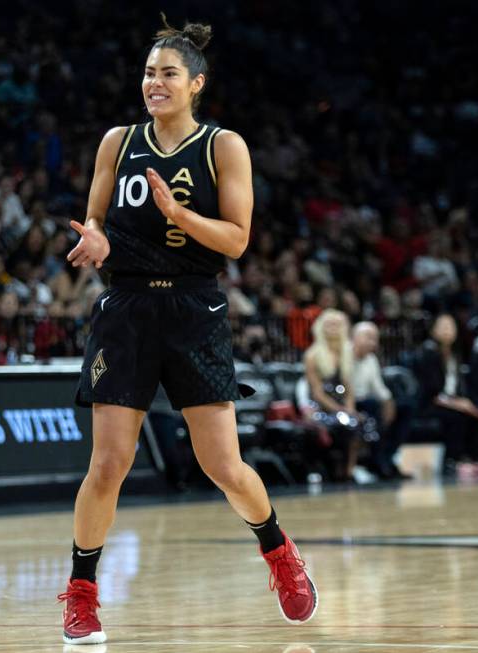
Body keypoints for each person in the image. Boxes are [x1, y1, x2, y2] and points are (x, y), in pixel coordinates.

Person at [59, 17, 316, 645]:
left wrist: (179, 214)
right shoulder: (117, 142)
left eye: (168, 73)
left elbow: (236, 239)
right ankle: (82, 594)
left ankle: (280, 553)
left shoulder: (223, 146)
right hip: (125, 309)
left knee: (223, 464)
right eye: (149, 73)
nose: (154, 83)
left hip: (195, 307)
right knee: (108, 465)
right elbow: (96, 217)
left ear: (195, 83)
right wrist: (95, 239)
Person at [414, 313, 478, 476]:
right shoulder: (428, 352)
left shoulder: (455, 354)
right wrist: (460, 404)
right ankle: (451, 461)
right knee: (457, 416)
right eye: (443, 326)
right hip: (430, 404)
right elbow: (432, 391)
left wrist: (465, 403)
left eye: (450, 326)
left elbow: (458, 388)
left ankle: (471, 458)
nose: (447, 330)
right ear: (433, 331)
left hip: (451, 402)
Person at [301, 309, 365, 483]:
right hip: (320, 407)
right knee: (340, 424)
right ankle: (332, 469)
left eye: (337, 324)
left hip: (341, 406)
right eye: (329, 324)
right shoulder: (312, 355)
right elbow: (316, 392)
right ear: (321, 327)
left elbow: (348, 386)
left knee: (357, 422)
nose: (333, 328)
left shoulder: (346, 353)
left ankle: (350, 470)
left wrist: (350, 408)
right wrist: (340, 410)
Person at [351, 320, 408, 479]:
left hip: (369, 402)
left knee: (405, 407)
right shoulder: (344, 356)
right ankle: (377, 462)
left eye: (375, 338)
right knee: (374, 406)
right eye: (368, 337)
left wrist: (389, 402)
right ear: (354, 337)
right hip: (349, 403)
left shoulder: (371, 359)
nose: (373, 342)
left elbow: (378, 388)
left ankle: (388, 457)